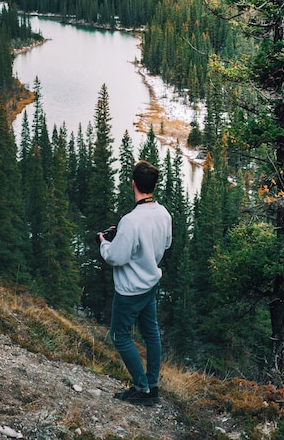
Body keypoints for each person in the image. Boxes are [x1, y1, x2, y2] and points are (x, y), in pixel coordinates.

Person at [97, 160, 172, 406]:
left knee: (119, 336)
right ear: (154, 185)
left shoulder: (131, 220)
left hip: (130, 291)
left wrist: (104, 242)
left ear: (133, 184)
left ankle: (141, 388)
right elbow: (166, 243)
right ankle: (152, 385)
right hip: (151, 285)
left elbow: (115, 257)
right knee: (151, 334)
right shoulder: (163, 213)